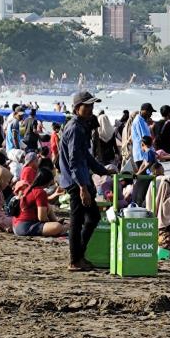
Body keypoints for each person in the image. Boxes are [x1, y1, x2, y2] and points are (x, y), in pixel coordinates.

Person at [58, 90, 111, 272]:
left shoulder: (81, 126)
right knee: (78, 220)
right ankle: (75, 259)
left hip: (79, 178)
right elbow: (74, 161)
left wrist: (104, 171)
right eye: (86, 106)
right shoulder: (75, 128)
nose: (90, 109)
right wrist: (82, 187)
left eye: (91, 105)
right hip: (76, 181)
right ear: (77, 108)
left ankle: (79, 255)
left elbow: (86, 157)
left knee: (91, 217)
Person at [14, 167, 67, 237]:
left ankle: (57, 223)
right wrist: (50, 223)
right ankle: (64, 227)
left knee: (49, 207)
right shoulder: (40, 192)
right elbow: (42, 217)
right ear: (48, 181)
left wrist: (55, 194)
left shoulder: (29, 188)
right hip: (25, 227)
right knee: (59, 226)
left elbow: (43, 203)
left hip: (16, 225)